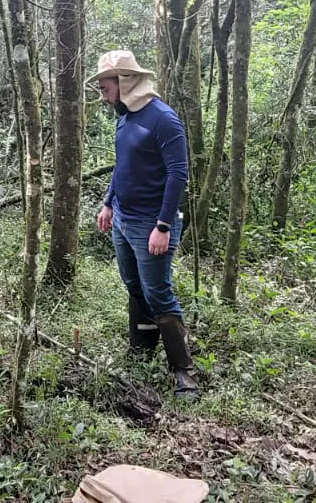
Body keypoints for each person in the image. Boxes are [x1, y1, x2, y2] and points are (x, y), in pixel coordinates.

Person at [91, 50, 199, 399]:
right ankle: (141, 348)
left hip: (151, 224)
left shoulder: (162, 119)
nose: (103, 95)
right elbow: (122, 166)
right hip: (122, 217)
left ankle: (183, 371)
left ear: (124, 82)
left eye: (105, 88)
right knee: (133, 285)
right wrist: (108, 203)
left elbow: (178, 174)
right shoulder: (124, 117)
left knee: (158, 291)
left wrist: (163, 226)